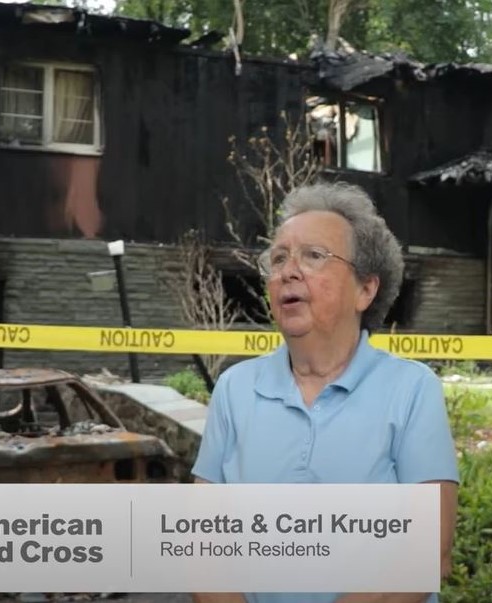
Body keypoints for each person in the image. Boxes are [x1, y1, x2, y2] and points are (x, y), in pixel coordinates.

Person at [191, 182, 459, 603]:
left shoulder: (411, 389)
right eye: (278, 258)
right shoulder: (234, 389)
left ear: (365, 289)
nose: (288, 271)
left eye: (313, 256)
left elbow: (429, 553)